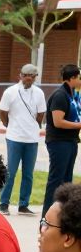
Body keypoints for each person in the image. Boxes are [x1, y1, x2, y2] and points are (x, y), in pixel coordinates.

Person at [0, 63, 46, 215]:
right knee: (10, 172)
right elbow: (3, 112)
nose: (28, 78)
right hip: (14, 137)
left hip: (31, 139)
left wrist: (34, 126)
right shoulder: (10, 92)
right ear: (20, 75)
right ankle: (4, 204)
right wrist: (9, 125)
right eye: (26, 75)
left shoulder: (39, 93)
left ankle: (23, 204)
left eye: (32, 76)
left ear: (35, 78)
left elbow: (41, 114)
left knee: (28, 174)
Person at [42, 63, 81, 216]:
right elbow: (58, 121)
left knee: (67, 180)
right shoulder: (60, 95)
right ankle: (47, 215)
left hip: (71, 141)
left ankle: (62, 214)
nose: (80, 81)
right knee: (56, 180)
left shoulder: (72, 94)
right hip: (59, 142)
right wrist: (79, 124)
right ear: (72, 78)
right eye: (79, 78)